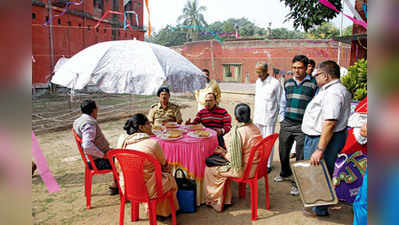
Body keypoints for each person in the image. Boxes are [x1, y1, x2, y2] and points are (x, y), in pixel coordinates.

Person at [301, 60, 352, 217]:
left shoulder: (333, 93)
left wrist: (319, 149)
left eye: (317, 75)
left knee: (319, 173)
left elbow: (330, 122)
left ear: (325, 75)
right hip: (325, 136)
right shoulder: (332, 89)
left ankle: (320, 209)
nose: (315, 78)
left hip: (323, 138)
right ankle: (318, 205)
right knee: (321, 172)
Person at [117, 113, 179, 220]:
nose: (151, 126)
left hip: (128, 186)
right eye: (148, 124)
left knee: (154, 174)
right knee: (169, 177)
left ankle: (153, 211)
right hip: (150, 190)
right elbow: (164, 166)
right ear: (141, 127)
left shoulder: (123, 142)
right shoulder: (152, 143)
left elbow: (118, 167)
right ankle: (164, 212)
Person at [203, 103, 263, 212]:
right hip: (258, 167)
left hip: (244, 170)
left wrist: (222, 153)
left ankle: (217, 202)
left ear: (235, 117)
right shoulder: (255, 128)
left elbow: (234, 160)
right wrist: (225, 152)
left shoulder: (238, 133)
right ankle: (225, 199)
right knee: (218, 162)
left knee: (209, 169)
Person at [276, 55, 318, 196]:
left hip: (303, 126)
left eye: (300, 68)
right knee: (282, 151)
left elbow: (316, 106)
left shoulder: (314, 84)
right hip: (287, 123)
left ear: (306, 68)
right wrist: (282, 119)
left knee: (300, 156)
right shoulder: (287, 83)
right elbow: (283, 102)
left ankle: (297, 183)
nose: (296, 71)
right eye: (294, 68)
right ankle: (285, 172)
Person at [73, 99, 118, 195]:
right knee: (123, 160)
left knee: (118, 153)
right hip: (97, 161)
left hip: (91, 158)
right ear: (94, 110)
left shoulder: (78, 120)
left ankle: (116, 185)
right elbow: (87, 145)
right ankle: (119, 186)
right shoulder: (89, 124)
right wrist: (103, 155)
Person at [253, 62, 281, 173]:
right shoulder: (257, 82)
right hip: (258, 117)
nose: (258, 75)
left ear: (265, 71)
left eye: (260, 72)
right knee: (258, 141)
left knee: (268, 142)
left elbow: (279, 101)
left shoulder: (275, 83)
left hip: (269, 118)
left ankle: (267, 164)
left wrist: (276, 116)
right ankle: (259, 162)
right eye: (257, 72)